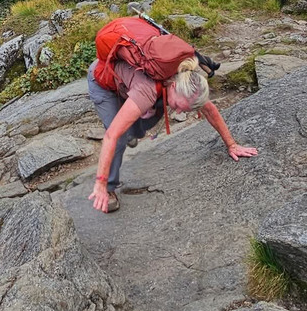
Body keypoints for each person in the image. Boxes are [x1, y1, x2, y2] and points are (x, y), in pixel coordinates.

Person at [87, 55, 258, 213]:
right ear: (174, 86)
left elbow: (210, 111)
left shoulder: (189, 84)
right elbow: (111, 136)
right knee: (119, 138)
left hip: (132, 85)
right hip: (104, 83)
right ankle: (109, 188)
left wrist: (232, 145)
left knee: (137, 125)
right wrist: (100, 183)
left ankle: (132, 131)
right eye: (178, 106)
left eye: (183, 109)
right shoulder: (147, 91)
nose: (178, 112)